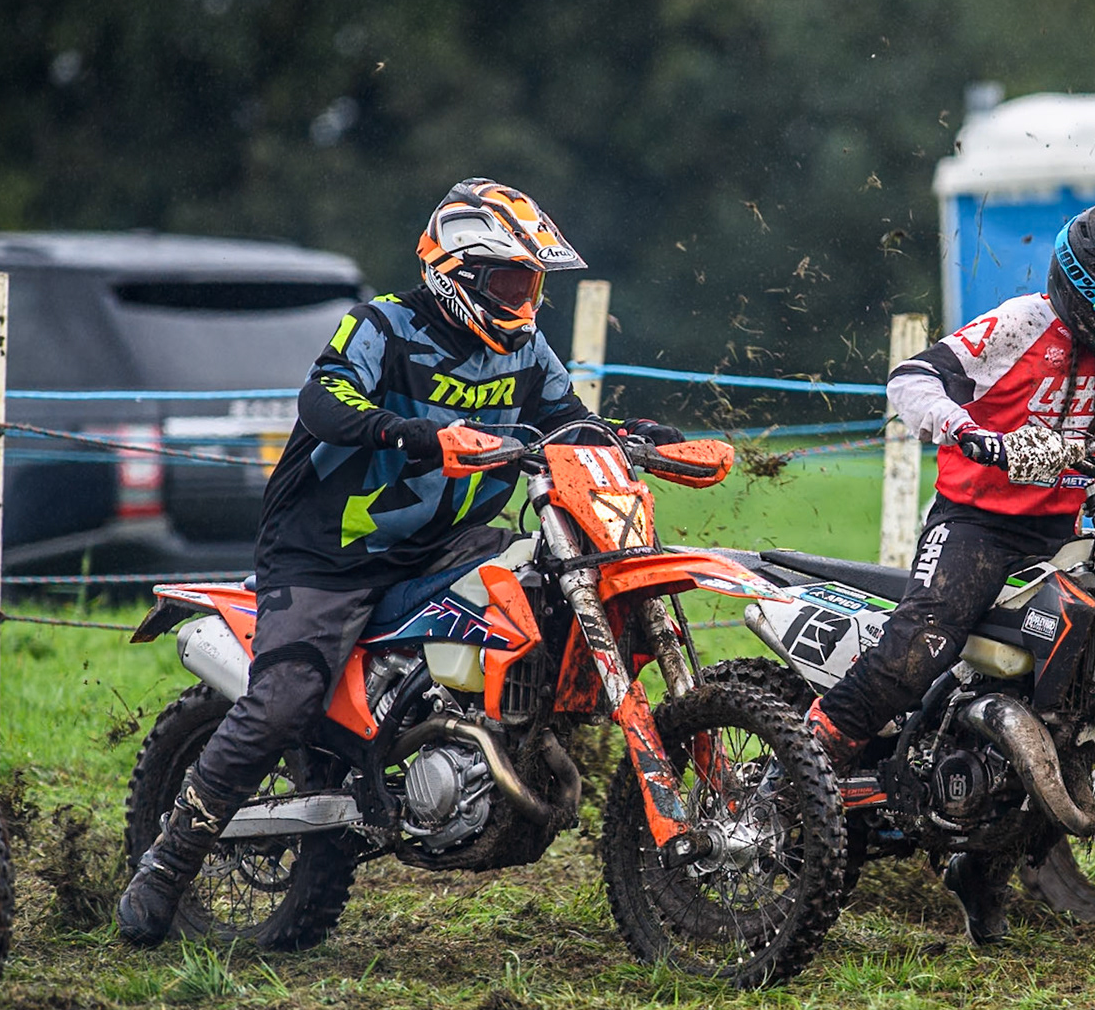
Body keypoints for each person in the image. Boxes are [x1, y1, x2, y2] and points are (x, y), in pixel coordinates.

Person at [118, 179, 681, 946]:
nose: (524, 301)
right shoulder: (382, 326)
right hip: (328, 553)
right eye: (509, 282)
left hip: (447, 543)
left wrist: (637, 437)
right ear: (456, 276)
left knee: (546, 590)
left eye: (531, 284)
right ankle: (166, 865)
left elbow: (568, 421)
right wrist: (416, 435)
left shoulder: (526, 348)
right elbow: (323, 400)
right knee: (283, 700)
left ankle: (484, 740)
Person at [807, 201, 1095, 944]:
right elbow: (912, 379)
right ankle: (812, 753)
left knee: (1072, 688)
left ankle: (988, 851)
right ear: (1081, 292)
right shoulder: (1022, 324)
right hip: (978, 523)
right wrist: (974, 434)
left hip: (1063, 529)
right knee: (927, 637)